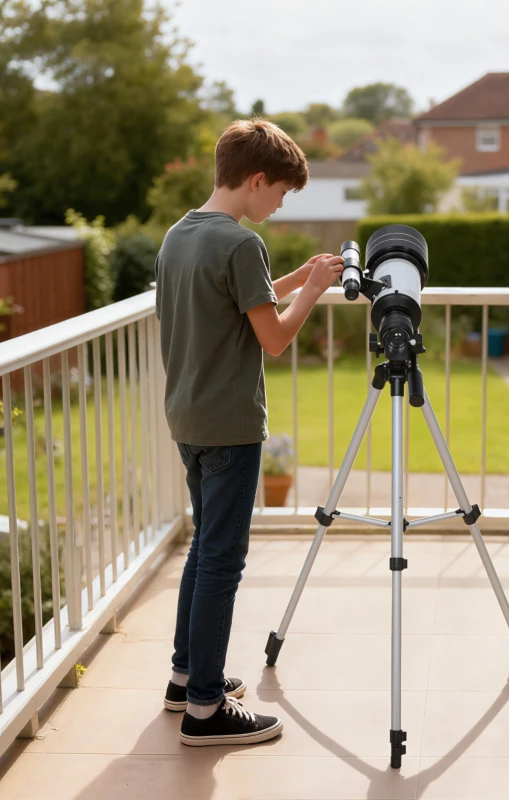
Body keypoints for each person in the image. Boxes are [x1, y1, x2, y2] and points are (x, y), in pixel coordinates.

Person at [155, 119, 344, 746]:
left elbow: (235, 299)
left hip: (188, 417)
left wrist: (292, 277)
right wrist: (315, 289)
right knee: (221, 563)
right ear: (258, 179)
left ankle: (185, 678)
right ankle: (206, 710)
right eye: (282, 194)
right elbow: (276, 339)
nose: (280, 206)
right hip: (232, 426)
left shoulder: (180, 236)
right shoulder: (240, 243)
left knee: (202, 551)